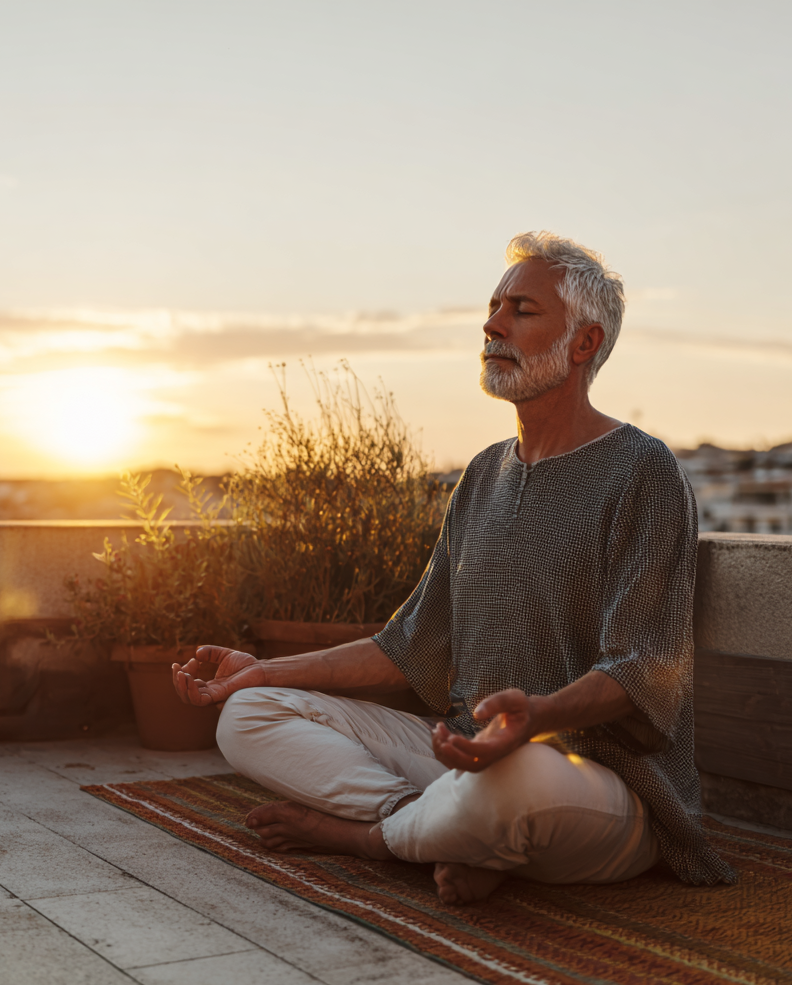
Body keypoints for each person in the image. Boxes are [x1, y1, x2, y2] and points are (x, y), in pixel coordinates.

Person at [172, 231, 736, 904]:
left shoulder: (643, 471)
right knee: (247, 716)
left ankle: (371, 837)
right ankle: (438, 828)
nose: (492, 325)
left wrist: (536, 718)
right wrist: (263, 671)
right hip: (463, 759)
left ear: (583, 343)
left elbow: (642, 667)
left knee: (517, 782)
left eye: (521, 310)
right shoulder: (482, 476)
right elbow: (407, 647)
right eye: (494, 307)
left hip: (592, 783)